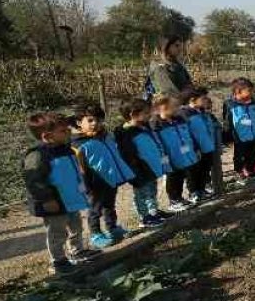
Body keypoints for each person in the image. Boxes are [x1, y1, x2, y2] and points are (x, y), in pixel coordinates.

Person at [22, 113, 99, 275]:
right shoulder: (38, 155)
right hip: (55, 202)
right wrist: (47, 199)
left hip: (71, 198)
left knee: (76, 226)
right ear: (47, 136)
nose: (69, 132)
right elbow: (34, 180)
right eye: (63, 131)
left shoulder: (66, 150)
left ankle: (77, 251)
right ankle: (58, 260)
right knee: (57, 231)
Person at [71, 102, 135, 249]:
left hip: (110, 179)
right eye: (90, 120)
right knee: (95, 209)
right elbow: (79, 169)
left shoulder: (106, 136)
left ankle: (112, 227)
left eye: (98, 120)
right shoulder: (78, 145)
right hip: (94, 183)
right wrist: (86, 185)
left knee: (110, 205)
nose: (95, 123)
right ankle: (95, 233)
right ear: (79, 122)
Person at [115, 99, 170, 228]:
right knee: (142, 194)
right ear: (133, 114)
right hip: (139, 170)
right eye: (146, 113)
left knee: (151, 191)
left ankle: (154, 211)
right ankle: (145, 217)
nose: (149, 115)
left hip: (150, 168)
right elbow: (128, 156)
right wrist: (135, 171)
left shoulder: (143, 127)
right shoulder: (126, 134)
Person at [150, 95, 199, 211]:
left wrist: (194, 148)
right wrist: (164, 159)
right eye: (172, 107)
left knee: (181, 176)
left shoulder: (178, 119)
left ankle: (180, 197)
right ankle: (173, 200)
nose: (175, 109)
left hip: (183, 155)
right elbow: (157, 144)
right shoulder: (156, 124)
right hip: (169, 157)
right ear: (161, 108)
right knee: (173, 177)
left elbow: (187, 135)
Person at [222, 78, 255, 186]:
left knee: (252, 154)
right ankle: (239, 172)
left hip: (253, 135)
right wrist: (227, 137)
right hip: (239, 137)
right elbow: (227, 121)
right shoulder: (230, 104)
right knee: (239, 156)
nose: (252, 93)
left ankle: (251, 171)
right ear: (238, 91)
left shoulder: (254, 103)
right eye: (249, 91)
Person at [180, 87, 217, 203]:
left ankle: (201, 190)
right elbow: (187, 134)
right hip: (196, 148)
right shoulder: (185, 114)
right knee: (193, 171)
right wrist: (195, 148)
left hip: (207, 146)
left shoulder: (200, 111)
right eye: (203, 98)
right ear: (192, 100)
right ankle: (193, 192)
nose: (205, 100)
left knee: (205, 169)